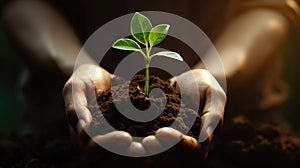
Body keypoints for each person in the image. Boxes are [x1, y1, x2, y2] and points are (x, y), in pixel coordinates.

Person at [1, 0, 299, 162]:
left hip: (242, 135)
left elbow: (270, 8)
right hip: (57, 137)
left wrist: (215, 71)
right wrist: (75, 66)